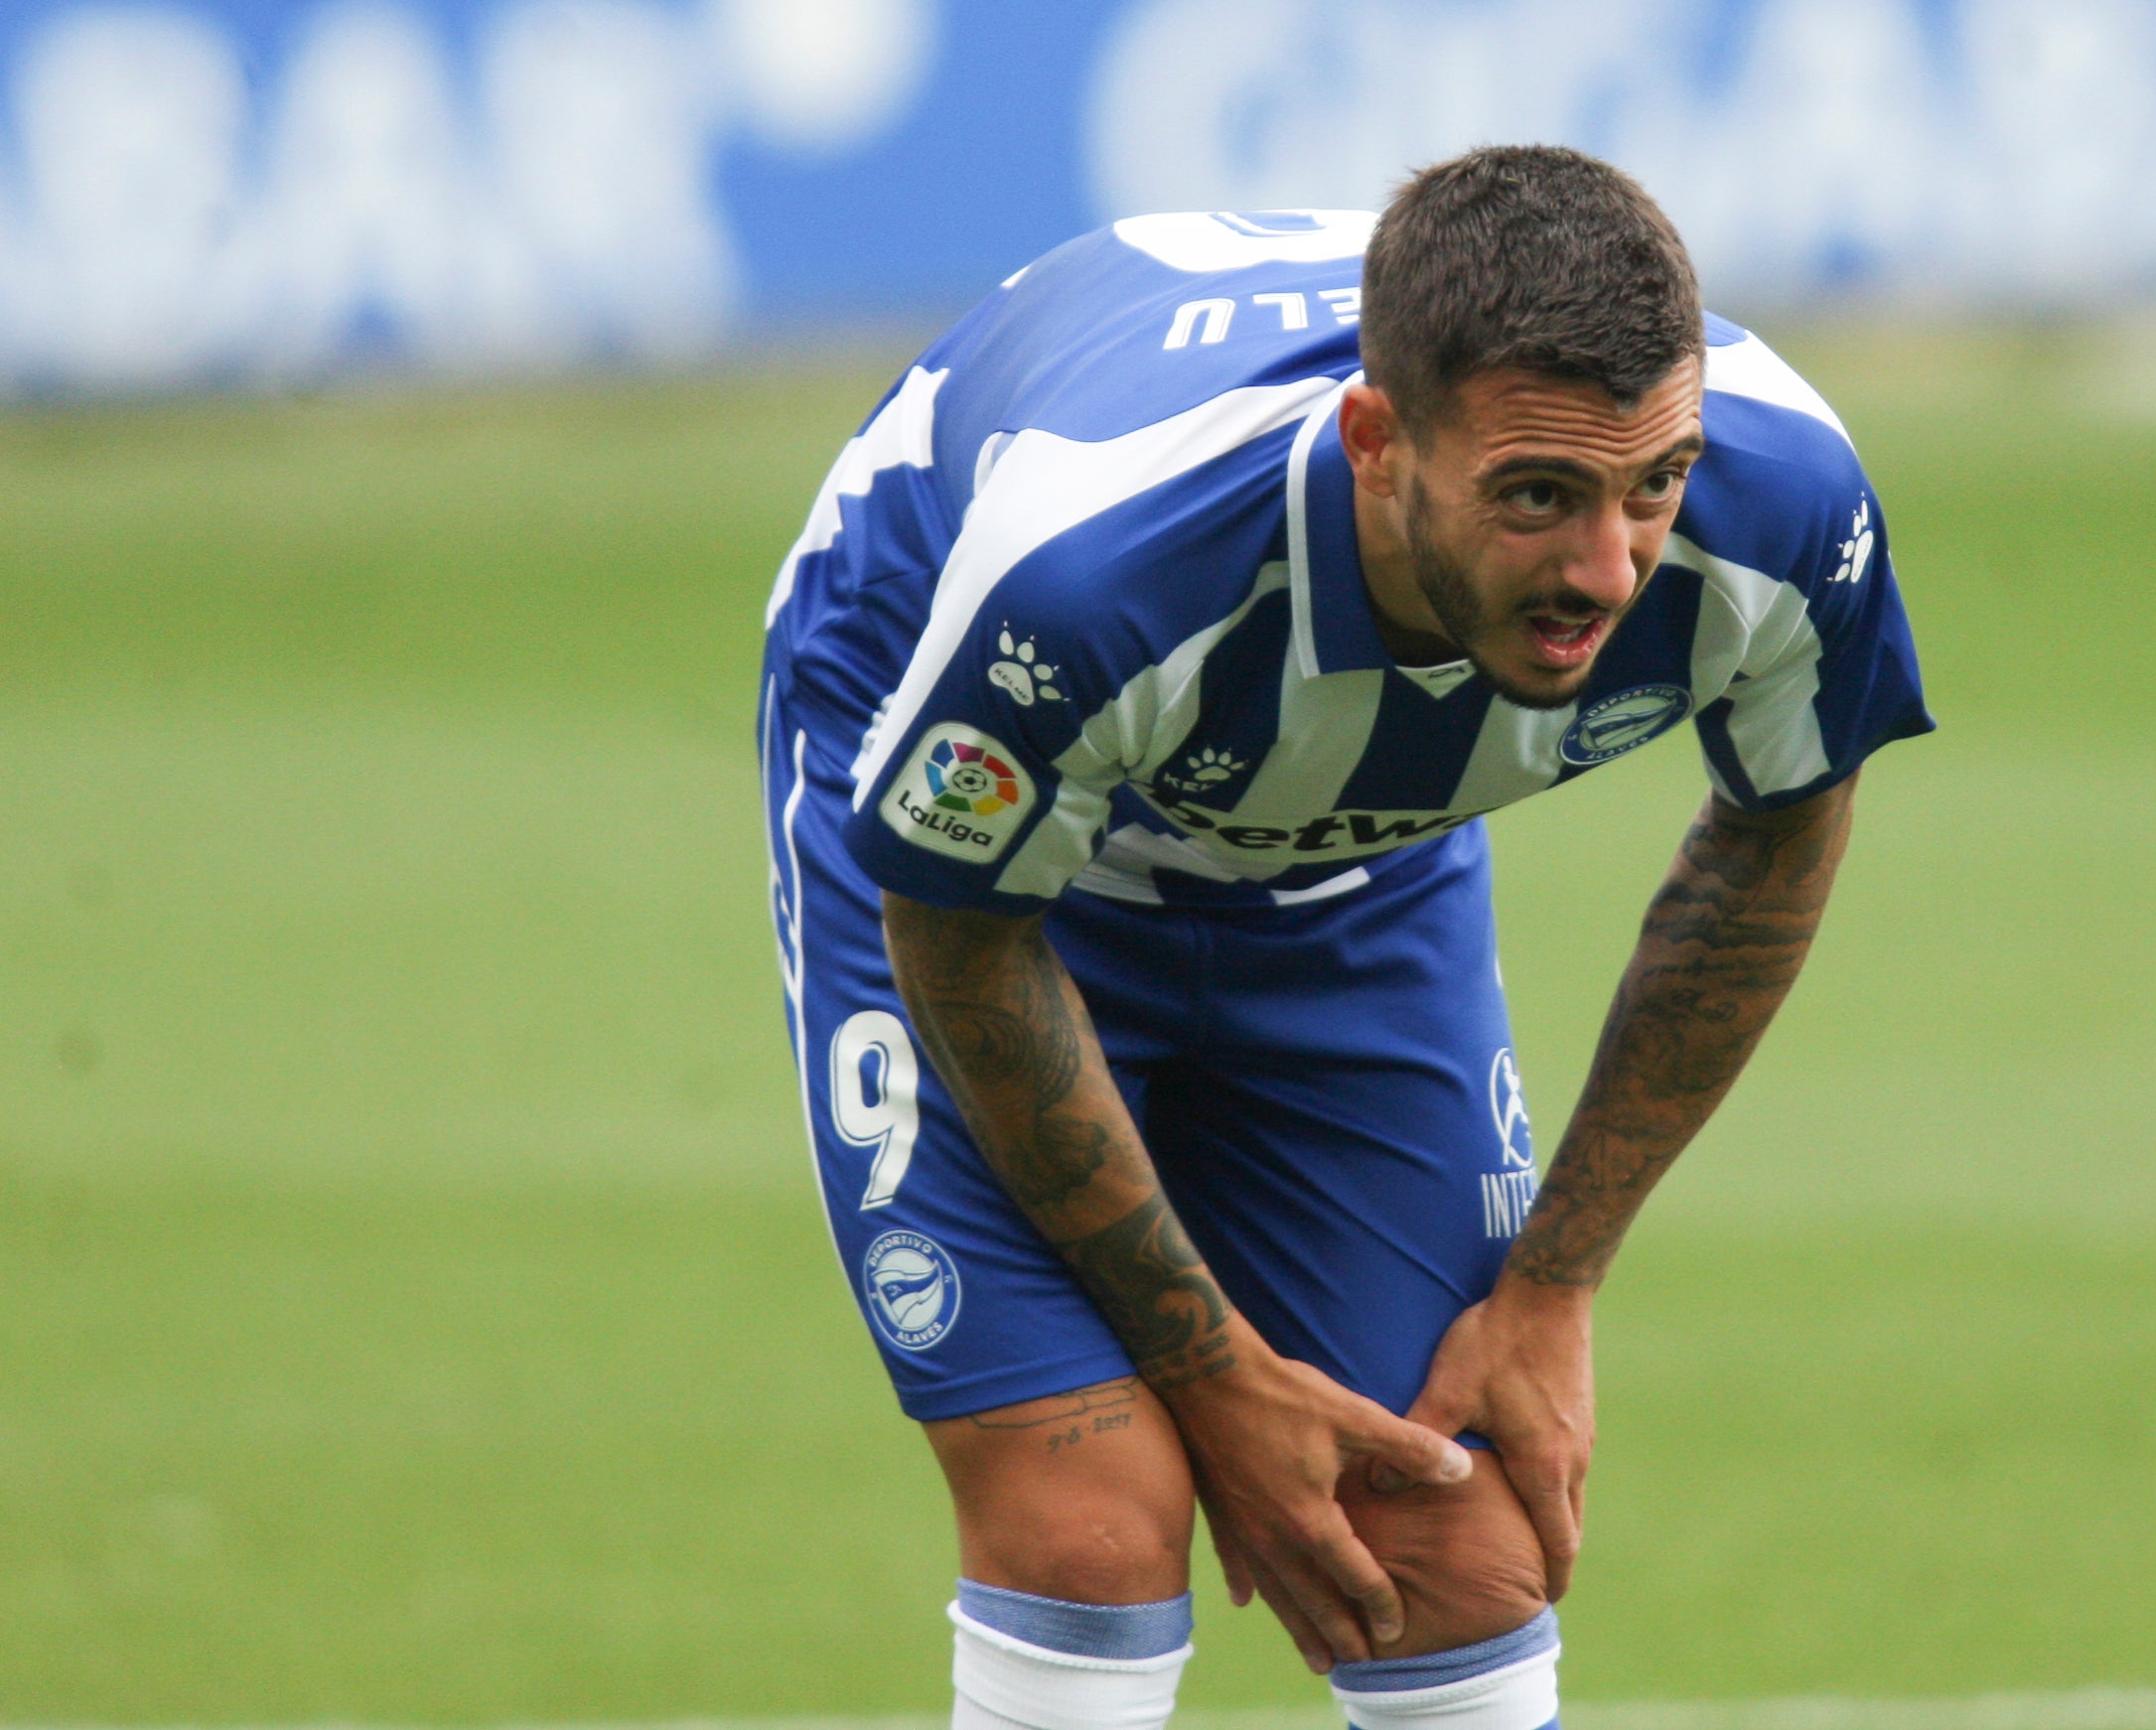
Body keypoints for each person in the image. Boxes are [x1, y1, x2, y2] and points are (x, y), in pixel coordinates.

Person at [760, 146, 1930, 1730]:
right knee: (1087, 1521)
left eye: (1652, 484)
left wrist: (1554, 1285)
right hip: (970, 815)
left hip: (1346, 859)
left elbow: (1779, 828)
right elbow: (961, 933)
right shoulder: (1097, 571)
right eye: (1538, 496)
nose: (1609, 567)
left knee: (1452, 1541)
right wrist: (1212, 1366)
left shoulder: (1782, 510)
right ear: (1376, 443)